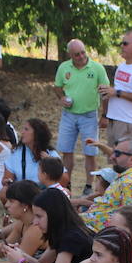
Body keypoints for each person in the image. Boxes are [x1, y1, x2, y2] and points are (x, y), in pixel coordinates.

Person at [54, 39, 110, 191]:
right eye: (76, 54)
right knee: (66, 151)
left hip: (89, 116)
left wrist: (105, 115)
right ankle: (67, 183)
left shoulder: (97, 68)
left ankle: (88, 185)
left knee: (90, 152)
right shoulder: (64, 67)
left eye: (83, 52)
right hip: (68, 115)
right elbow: (57, 87)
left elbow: (106, 93)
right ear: (70, 55)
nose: (81, 56)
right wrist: (62, 98)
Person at [80, 139, 132, 232]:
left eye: (117, 153)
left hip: (95, 233)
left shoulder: (130, 184)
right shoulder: (126, 177)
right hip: (89, 226)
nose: (112, 157)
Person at [100, 30, 132, 145]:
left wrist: (117, 92)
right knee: (115, 159)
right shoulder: (122, 67)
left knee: (128, 160)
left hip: (128, 123)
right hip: (114, 120)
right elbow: (117, 91)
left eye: (125, 44)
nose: (122, 46)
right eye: (121, 43)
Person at [5, 118, 61, 191]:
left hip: (44, 192)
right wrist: (7, 182)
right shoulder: (16, 152)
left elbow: (64, 180)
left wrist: (50, 163)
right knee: (4, 191)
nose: (22, 132)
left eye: (26, 129)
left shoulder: (50, 153)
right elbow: (7, 178)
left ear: (37, 133)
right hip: (22, 192)